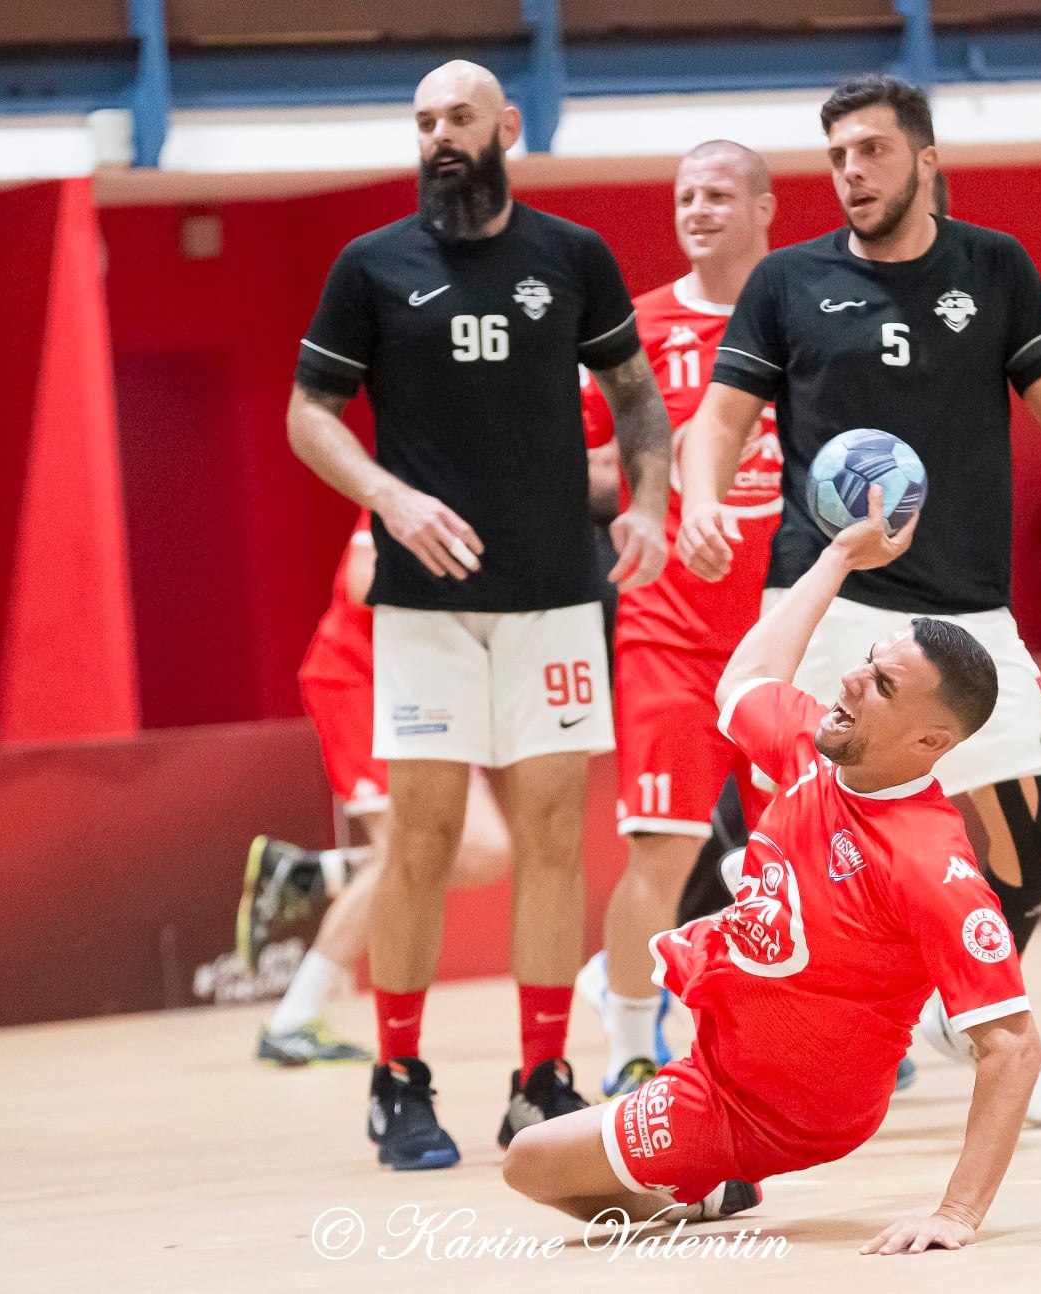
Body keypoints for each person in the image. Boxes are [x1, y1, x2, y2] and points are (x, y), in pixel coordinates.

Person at [676, 74, 1041, 1126]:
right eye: (836, 157)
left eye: (873, 152)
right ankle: (785, 1066)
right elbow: (721, 417)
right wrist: (697, 497)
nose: (851, 174)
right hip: (829, 590)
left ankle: (961, 1011)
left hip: (966, 604)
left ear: (925, 160)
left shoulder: (995, 267)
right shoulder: (785, 283)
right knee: (815, 832)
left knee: (1033, 833)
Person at [286, 60, 672, 1171]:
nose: (439, 136)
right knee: (422, 841)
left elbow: (636, 392)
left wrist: (645, 504)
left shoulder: (573, 256)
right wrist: (387, 497)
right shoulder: (372, 267)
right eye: (423, 122)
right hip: (426, 607)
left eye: (458, 117)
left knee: (554, 839)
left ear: (506, 124)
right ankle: (397, 1077)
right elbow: (308, 412)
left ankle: (540, 1077)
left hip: (554, 593)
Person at [503, 495, 1041, 1255]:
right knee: (549, 1164)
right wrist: (835, 560)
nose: (853, 683)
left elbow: (1015, 1048)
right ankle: (708, 1186)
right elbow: (749, 675)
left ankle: (701, 1184)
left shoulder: (931, 864)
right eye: (865, 665)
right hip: (720, 1060)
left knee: (528, 1164)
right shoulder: (812, 750)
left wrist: (955, 1214)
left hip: (777, 1110)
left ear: (931, 739)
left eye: (884, 686)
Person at [575, 140, 785, 1098]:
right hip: (668, 631)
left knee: (800, 851)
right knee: (661, 848)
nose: (696, 209)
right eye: (683, 197)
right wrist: (650, 491)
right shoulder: (641, 329)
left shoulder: (806, 316)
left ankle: (819, 1025)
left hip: (784, 634)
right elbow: (578, 465)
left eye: (716, 194)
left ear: (764, 207)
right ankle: (626, 1046)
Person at [238, 513, 513, 1066]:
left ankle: (317, 875)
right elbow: (361, 584)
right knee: (400, 856)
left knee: (487, 851)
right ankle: (293, 1018)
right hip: (363, 683)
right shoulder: (413, 484)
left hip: (437, 691)